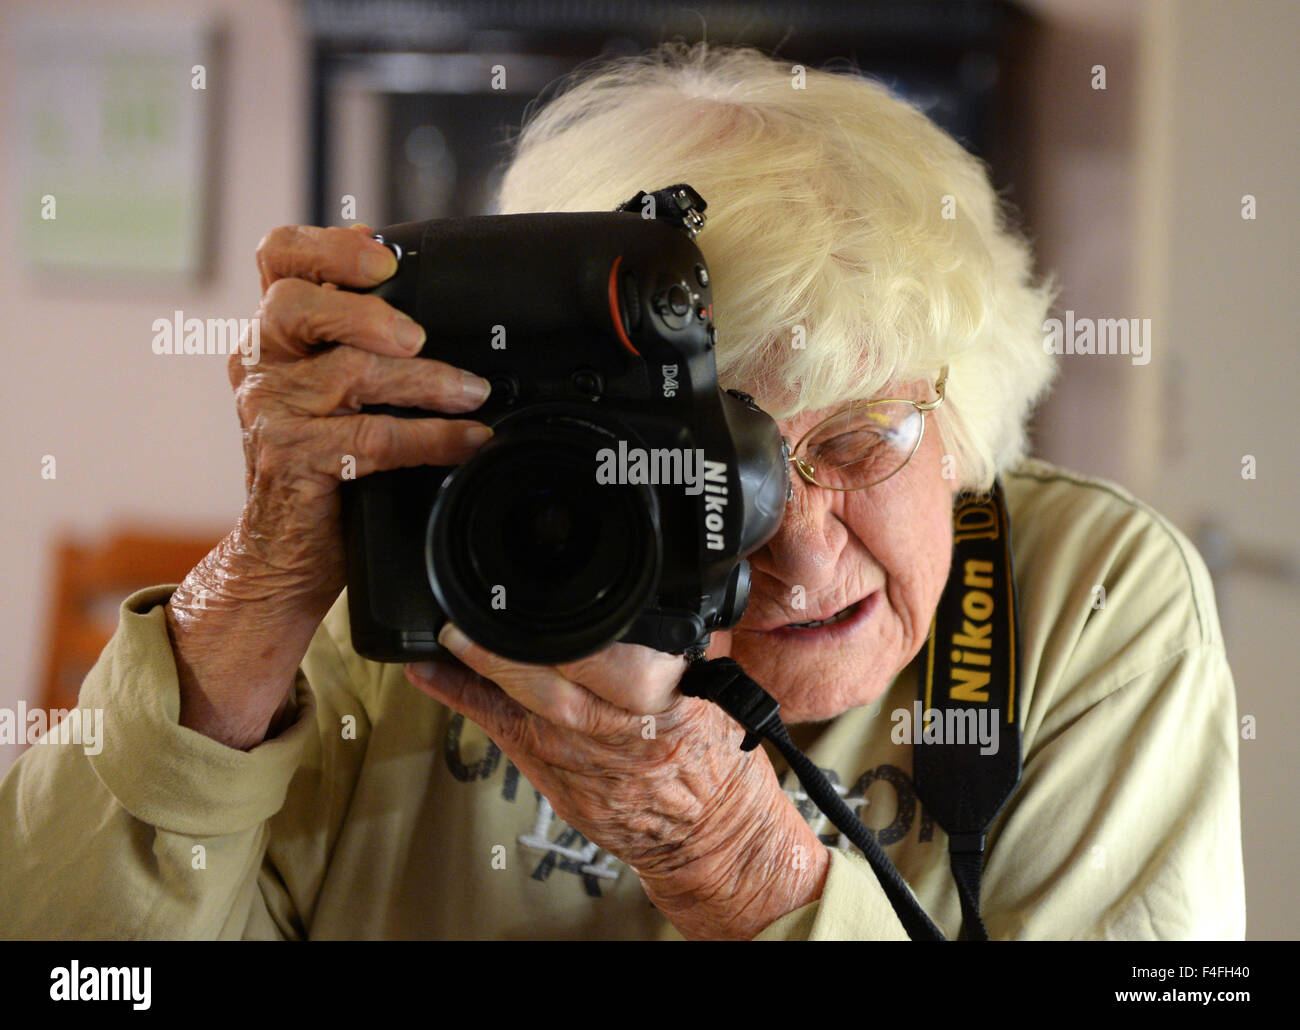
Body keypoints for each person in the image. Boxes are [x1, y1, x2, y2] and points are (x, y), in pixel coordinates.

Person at [0, 42, 1244, 940]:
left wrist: (731, 860)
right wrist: (253, 600)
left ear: (966, 405)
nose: (802, 556)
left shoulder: (1087, 600)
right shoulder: (431, 565)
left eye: (864, 440)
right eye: (720, 464)